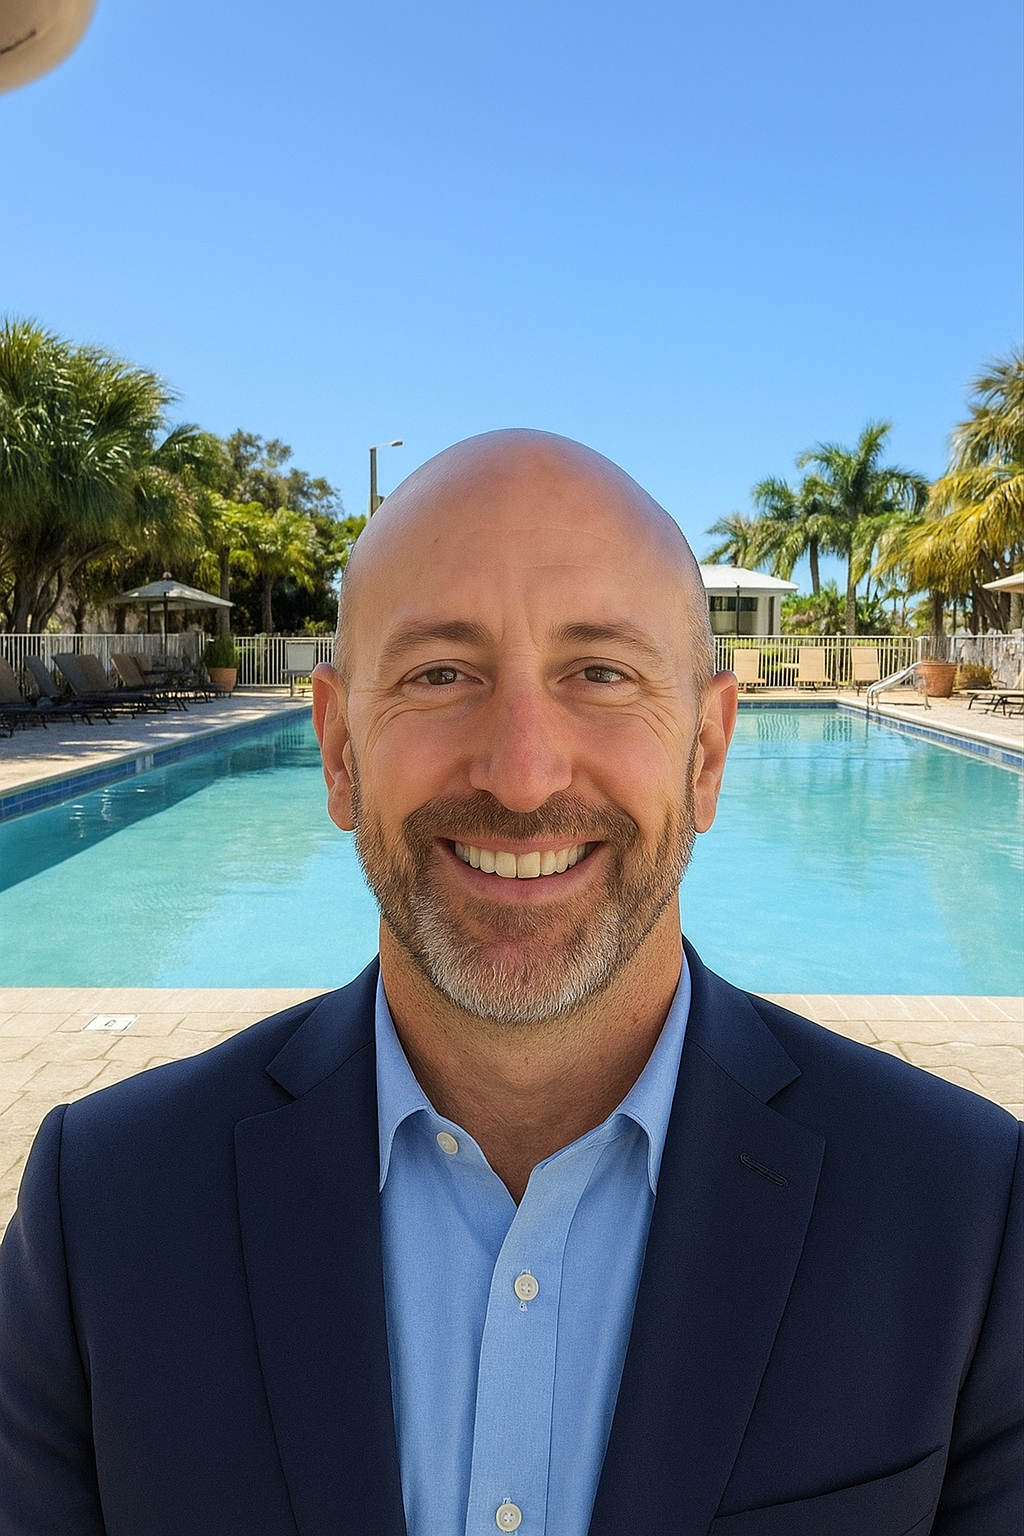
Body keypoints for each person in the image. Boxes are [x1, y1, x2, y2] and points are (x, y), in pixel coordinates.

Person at [0, 431, 1019, 1536]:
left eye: (601, 674)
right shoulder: (104, 1211)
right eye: (441, 674)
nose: (522, 775)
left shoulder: (965, 1217)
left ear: (708, 754)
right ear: (339, 752)